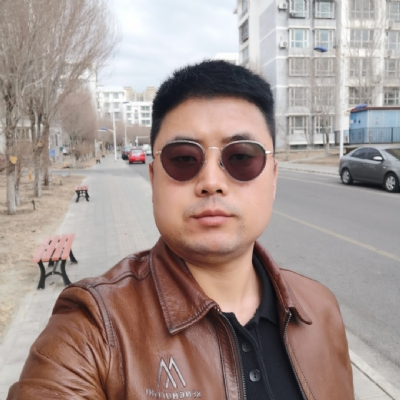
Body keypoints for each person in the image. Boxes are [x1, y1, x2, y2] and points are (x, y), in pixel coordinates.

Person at [8, 61, 354, 399]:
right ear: (154, 178)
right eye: (184, 158)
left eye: (241, 157)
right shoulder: (95, 327)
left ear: (273, 178)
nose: (212, 182)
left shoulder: (319, 309)